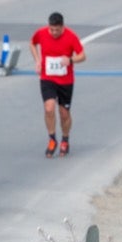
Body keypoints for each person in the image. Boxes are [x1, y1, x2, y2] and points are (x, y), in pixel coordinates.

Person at [30, 12, 86, 157]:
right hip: (47, 78)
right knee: (49, 108)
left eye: (57, 30)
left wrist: (71, 60)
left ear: (62, 27)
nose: (54, 33)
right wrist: (37, 60)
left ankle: (65, 139)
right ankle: (52, 138)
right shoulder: (41, 33)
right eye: (51, 29)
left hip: (65, 81)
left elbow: (82, 55)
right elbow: (32, 43)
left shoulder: (71, 36)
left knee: (64, 113)